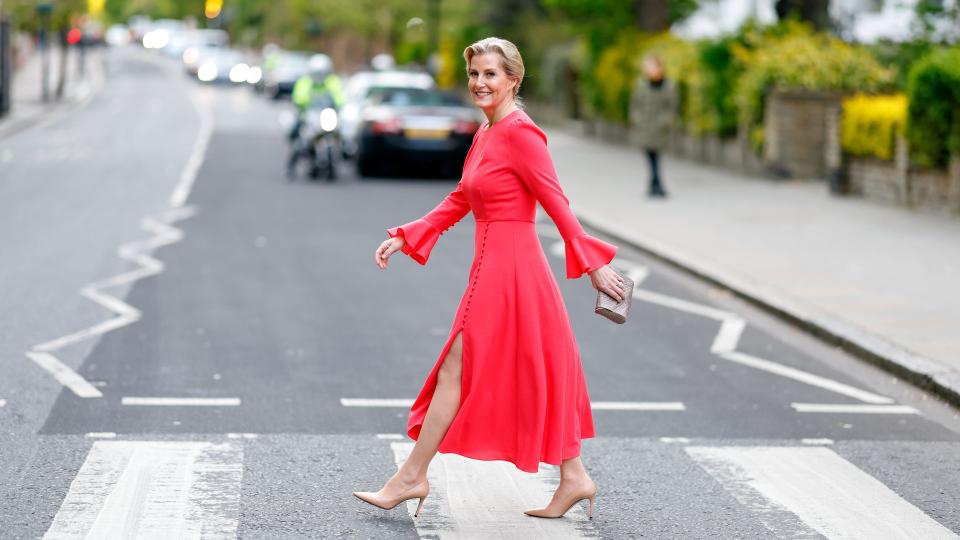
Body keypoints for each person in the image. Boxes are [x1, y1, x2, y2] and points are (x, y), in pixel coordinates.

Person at [355, 37, 627, 519]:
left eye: (491, 75)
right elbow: (463, 196)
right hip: (492, 267)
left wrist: (593, 264)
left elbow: (556, 201)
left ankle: (412, 477)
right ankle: (574, 476)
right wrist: (409, 234)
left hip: (512, 269)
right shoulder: (487, 132)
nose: (480, 83)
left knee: (457, 368)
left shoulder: (522, 134)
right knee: (538, 364)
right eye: (475, 74)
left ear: (513, 80)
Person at [287, 54, 345, 175]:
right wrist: (301, 104)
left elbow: (340, 97)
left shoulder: (332, 81)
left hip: (326, 114)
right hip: (310, 114)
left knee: (340, 133)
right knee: (299, 137)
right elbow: (299, 97)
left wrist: (339, 104)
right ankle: (292, 163)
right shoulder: (305, 82)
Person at [630, 54, 677, 198]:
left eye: (651, 66)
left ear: (659, 68)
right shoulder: (641, 85)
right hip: (645, 127)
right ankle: (655, 185)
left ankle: (655, 185)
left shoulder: (668, 86)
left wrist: (665, 121)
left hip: (659, 129)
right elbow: (635, 105)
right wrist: (636, 119)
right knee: (650, 157)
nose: (649, 70)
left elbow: (672, 107)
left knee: (656, 156)